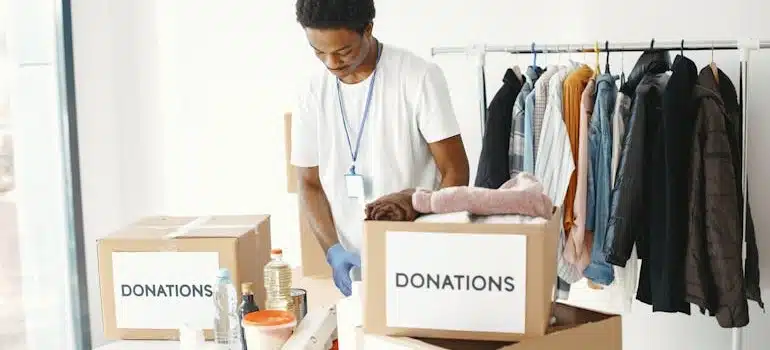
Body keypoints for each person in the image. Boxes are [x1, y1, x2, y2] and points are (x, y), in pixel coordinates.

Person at [291, 0, 470, 296]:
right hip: (356, 268)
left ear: (368, 29)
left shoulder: (418, 77)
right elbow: (308, 184)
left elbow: (455, 171)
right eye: (319, 52)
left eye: (343, 51)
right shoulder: (311, 92)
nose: (331, 63)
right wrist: (333, 251)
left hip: (420, 261)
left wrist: (425, 241)